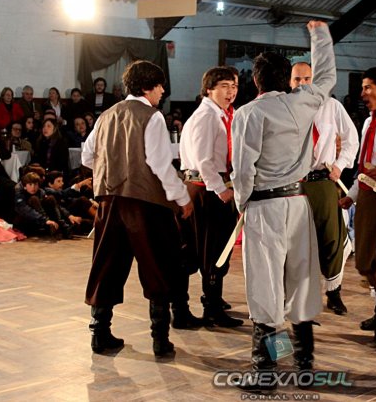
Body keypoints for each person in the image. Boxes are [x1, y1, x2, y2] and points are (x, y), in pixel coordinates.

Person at [231, 20, 335, 393]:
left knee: (267, 287)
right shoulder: (303, 102)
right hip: (298, 203)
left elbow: (243, 169)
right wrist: (320, 36)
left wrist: (242, 203)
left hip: (265, 206)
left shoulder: (248, 114)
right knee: (301, 283)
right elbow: (327, 76)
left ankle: (266, 370)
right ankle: (304, 364)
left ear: (256, 81)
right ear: (285, 78)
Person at [82, 60, 193, 357]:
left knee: (106, 265)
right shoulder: (152, 116)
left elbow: (87, 156)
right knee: (158, 266)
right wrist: (181, 197)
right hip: (146, 204)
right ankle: (160, 341)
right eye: (160, 86)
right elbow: (160, 164)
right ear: (147, 86)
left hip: (109, 201)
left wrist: (112, 169)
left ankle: (99, 335)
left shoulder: (106, 115)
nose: (162, 91)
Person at [290, 61, 359, 316]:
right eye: (297, 79)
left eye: (306, 78)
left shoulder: (331, 106)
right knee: (295, 241)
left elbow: (352, 139)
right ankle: (297, 294)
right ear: (289, 82)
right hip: (293, 185)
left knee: (331, 237)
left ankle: (333, 292)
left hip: (323, 180)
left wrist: (340, 165)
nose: (302, 84)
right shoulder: (283, 107)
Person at [177, 66, 243, 328]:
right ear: (208, 89)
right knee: (209, 250)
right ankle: (208, 308)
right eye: (224, 86)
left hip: (209, 188)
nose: (231, 92)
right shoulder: (207, 116)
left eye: (234, 86)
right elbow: (203, 159)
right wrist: (221, 189)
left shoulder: (222, 115)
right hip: (205, 189)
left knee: (214, 249)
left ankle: (212, 302)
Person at [338, 67, 376, 345]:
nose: (362, 94)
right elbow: (364, 167)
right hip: (367, 193)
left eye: (367, 88)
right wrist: (352, 194)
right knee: (365, 260)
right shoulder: (369, 122)